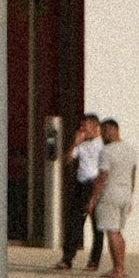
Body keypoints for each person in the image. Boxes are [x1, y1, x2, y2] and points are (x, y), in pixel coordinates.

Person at [90, 117, 138, 278]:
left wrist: (92, 199)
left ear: (112, 130)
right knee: (118, 231)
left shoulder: (107, 151)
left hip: (109, 195)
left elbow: (103, 176)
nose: (102, 135)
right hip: (124, 194)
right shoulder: (130, 149)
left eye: (104, 131)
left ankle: (118, 269)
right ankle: (121, 266)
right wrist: (130, 195)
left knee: (112, 232)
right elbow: (133, 173)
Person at [56, 111, 102, 269]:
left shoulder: (102, 145)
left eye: (85, 126)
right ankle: (67, 257)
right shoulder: (81, 145)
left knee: (97, 225)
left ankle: (94, 260)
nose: (82, 129)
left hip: (95, 184)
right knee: (74, 221)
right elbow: (67, 160)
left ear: (96, 127)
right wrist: (75, 143)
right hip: (81, 184)